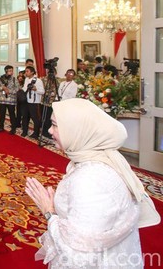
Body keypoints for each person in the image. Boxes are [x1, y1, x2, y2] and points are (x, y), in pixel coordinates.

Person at [25, 98, 147, 268]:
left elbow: (77, 258)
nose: (49, 130)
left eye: (55, 125)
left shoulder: (91, 181)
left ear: (77, 130)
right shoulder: (98, 159)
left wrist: (49, 212)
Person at [21, 66, 44, 139]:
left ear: (32, 72)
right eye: (25, 71)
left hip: (34, 102)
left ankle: (36, 133)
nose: (26, 73)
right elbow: (25, 89)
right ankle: (25, 131)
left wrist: (35, 89)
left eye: (27, 71)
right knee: (25, 117)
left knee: (35, 118)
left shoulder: (38, 80)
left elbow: (42, 91)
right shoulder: (26, 79)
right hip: (26, 101)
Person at [0, 65, 18, 134]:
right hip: (2, 99)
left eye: (12, 70)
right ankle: (1, 126)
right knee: (2, 114)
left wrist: (9, 91)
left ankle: (13, 128)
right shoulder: (0, 79)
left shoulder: (14, 79)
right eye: (10, 71)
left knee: (12, 114)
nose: (11, 72)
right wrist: (2, 88)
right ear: (6, 71)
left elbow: (17, 89)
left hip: (11, 100)